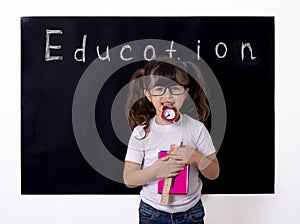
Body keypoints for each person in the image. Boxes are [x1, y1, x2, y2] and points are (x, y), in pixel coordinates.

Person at [123, 58, 220, 224]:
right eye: (159, 88)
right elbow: (129, 179)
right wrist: (156, 171)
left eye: (175, 88)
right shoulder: (141, 133)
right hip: (152, 214)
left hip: (191, 213)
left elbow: (214, 173)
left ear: (185, 93)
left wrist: (196, 157)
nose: (168, 95)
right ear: (148, 94)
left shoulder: (196, 128)